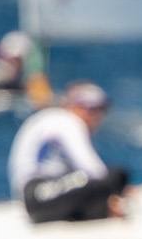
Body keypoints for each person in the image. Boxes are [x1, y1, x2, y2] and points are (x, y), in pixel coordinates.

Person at [7, 81, 131, 224]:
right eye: (91, 109)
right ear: (73, 106)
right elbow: (95, 171)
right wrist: (125, 191)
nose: (97, 117)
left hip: (38, 195)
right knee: (115, 176)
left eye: (101, 109)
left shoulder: (53, 119)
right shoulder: (67, 121)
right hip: (37, 196)